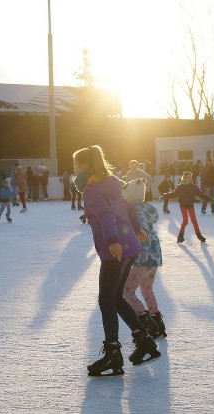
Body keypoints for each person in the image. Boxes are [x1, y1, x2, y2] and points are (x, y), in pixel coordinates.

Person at [75, 145, 160, 377]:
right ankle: (144, 341)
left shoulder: (92, 189)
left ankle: (113, 354)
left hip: (116, 249)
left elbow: (107, 215)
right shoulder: (110, 183)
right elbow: (129, 207)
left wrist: (112, 240)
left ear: (83, 166)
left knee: (106, 301)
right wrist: (137, 228)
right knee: (115, 297)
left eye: (75, 165)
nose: (74, 170)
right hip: (130, 246)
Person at [121, 178, 166, 339]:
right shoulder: (147, 207)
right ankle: (157, 321)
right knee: (147, 289)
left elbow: (142, 226)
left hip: (143, 258)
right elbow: (150, 219)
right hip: (154, 257)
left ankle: (148, 323)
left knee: (127, 290)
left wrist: (142, 233)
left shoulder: (135, 209)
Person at [161, 171, 212, 243]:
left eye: (190, 177)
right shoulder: (180, 186)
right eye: (188, 177)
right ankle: (180, 236)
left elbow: (201, 194)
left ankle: (199, 235)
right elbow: (173, 194)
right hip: (183, 205)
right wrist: (164, 195)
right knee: (185, 221)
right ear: (184, 178)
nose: (189, 179)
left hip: (190, 205)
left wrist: (211, 199)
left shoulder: (193, 187)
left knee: (194, 221)